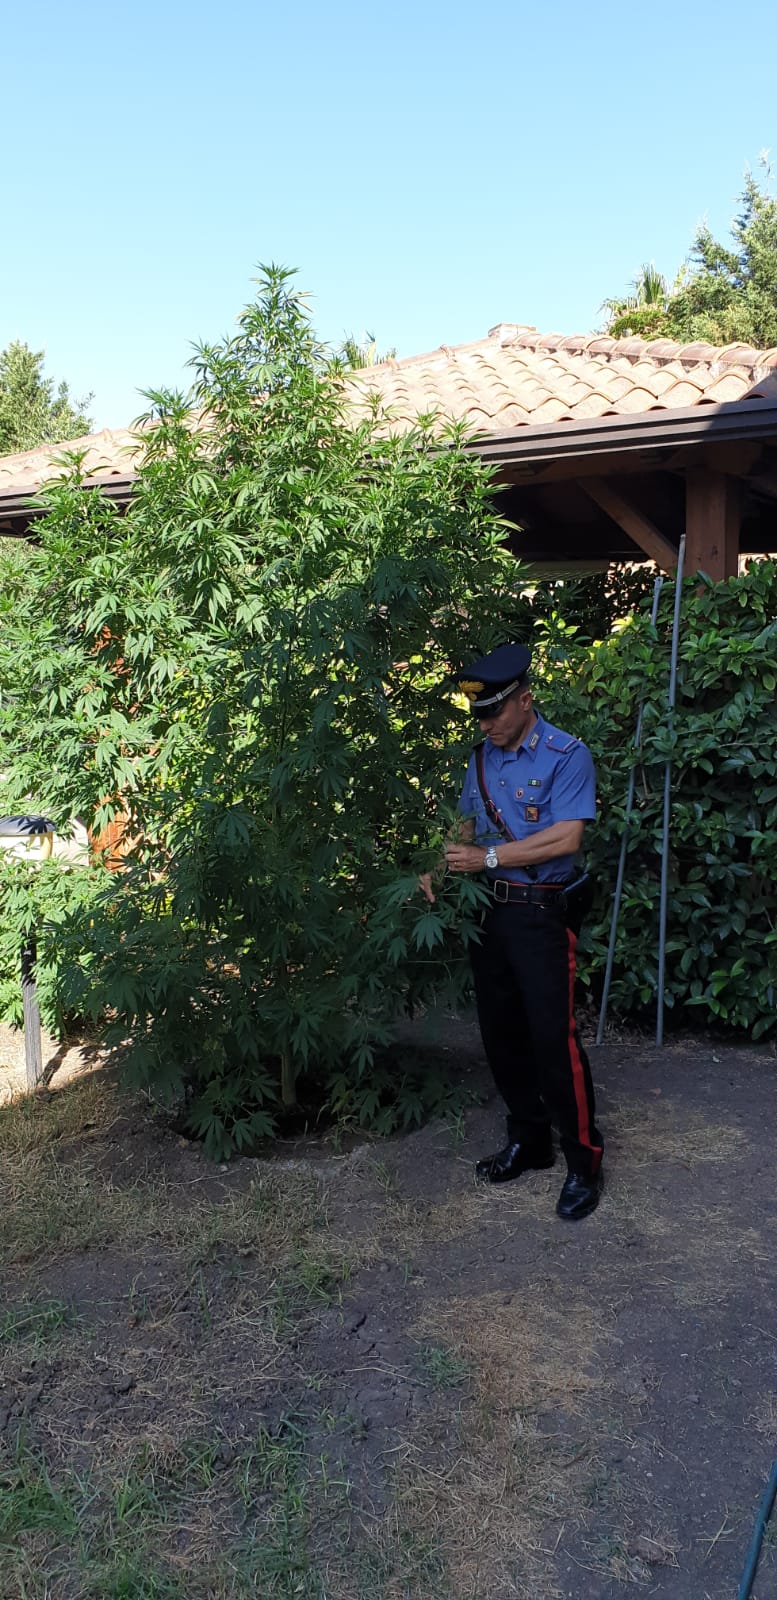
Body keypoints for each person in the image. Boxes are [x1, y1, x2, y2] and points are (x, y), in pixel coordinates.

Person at [421, 642, 604, 1221]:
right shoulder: (481, 757)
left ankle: (583, 1162)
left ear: (525, 701)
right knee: (500, 1033)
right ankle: (530, 1141)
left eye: (495, 712)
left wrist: (489, 859)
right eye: (479, 715)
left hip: (539, 913)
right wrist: (437, 862)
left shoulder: (566, 755)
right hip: (488, 916)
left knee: (554, 1040)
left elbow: (566, 838)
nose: (487, 724)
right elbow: (467, 822)